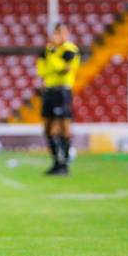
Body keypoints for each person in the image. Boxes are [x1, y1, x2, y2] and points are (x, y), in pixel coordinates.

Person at [37, 23, 80, 176]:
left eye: (62, 33)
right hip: (49, 91)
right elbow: (41, 70)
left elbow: (64, 69)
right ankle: (56, 163)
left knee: (61, 126)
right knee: (48, 127)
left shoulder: (70, 49)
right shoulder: (47, 50)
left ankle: (65, 163)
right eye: (57, 33)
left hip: (63, 90)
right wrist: (53, 60)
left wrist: (53, 56)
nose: (59, 36)